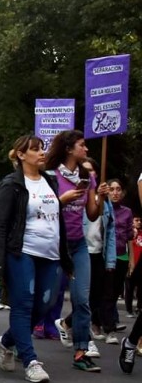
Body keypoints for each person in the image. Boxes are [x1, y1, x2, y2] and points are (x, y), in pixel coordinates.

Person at [0, 134, 72, 383]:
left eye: (42, 149)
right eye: (35, 150)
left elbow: (57, 220)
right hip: (22, 252)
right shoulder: (12, 184)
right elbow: (0, 226)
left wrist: (65, 256)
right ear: (21, 155)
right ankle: (30, 361)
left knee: (44, 306)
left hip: (51, 254)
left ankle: (6, 342)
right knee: (24, 305)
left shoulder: (50, 181)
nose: (41, 153)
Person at [46, 130, 108, 372]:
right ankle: (13, 342)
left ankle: (81, 352)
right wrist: (63, 199)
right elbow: (43, 208)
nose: (87, 149)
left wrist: (101, 198)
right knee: (45, 301)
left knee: (82, 300)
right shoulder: (50, 176)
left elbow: (92, 214)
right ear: (69, 149)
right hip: (54, 245)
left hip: (78, 244)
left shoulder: (86, 176)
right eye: (82, 145)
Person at [81, 161, 119, 345]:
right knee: (81, 296)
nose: (89, 174)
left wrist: (110, 261)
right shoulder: (77, 195)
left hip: (98, 253)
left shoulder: (106, 201)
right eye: (85, 170)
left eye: (91, 170)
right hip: (80, 251)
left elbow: (111, 232)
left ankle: (68, 324)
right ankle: (85, 340)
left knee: (96, 296)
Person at [106, 179, 133, 329]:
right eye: (112, 189)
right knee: (107, 292)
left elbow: (129, 237)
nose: (115, 193)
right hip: (106, 256)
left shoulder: (127, 212)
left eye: (118, 189)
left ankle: (110, 321)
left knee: (116, 291)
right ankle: (107, 324)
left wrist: (132, 261)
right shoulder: (103, 208)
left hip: (122, 255)